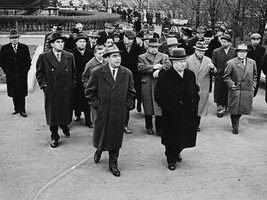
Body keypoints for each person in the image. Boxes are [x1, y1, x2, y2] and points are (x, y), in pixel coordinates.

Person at [85, 44, 136, 177]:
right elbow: (89, 92)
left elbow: (131, 93)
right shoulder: (97, 72)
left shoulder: (127, 73)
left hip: (119, 112)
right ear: (107, 58)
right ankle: (99, 150)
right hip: (102, 112)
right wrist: (98, 106)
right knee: (101, 135)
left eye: (119, 56)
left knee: (115, 138)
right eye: (114, 56)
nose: (118, 59)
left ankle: (113, 163)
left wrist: (126, 107)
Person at [154, 48, 200, 170]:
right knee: (171, 137)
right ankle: (171, 159)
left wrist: (194, 104)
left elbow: (195, 90)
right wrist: (168, 108)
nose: (183, 64)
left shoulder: (190, 74)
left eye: (184, 61)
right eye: (180, 62)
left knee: (184, 135)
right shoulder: (165, 76)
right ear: (173, 62)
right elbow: (158, 95)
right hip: (172, 113)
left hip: (187, 112)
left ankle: (177, 150)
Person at [36, 32, 77, 148]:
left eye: (62, 42)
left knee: (65, 112)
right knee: (53, 115)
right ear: (52, 44)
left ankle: (64, 126)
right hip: (52, 91)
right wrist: (45, 87)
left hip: (66, 90)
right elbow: (39, 73)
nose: (61, 44)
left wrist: (72, 85)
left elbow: (74, 72)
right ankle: (54, 136)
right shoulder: (44, 57)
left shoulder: (69, 56)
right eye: (58, 42)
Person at [138, 38, 171, 136]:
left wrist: (159, 68)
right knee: (148, 107)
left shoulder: (164, 56)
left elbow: (168, 65)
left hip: (160, 83)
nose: (154, 49)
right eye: (152, 47)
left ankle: (159, 128)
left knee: (159, 106)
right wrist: (152, 67)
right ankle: (149, 127)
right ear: (147, 47)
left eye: (156, 47)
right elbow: (140, 67)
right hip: (147, 83)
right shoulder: (142, 57)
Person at [223, 44, 257, 134]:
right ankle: (235, 126)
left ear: (247, 53)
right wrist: (232, 85)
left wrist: (253, 85)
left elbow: (255, 75)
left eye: (244, 52)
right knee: (235, 110)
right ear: (237, 52)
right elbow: (226, 77)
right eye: (240, 52)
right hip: (236, 90)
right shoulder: (231, 63)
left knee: (242, 109)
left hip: (247, 90)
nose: (242, 54)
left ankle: (235, 120)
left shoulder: (252, 62)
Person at [0, 29, 31, 117]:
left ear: (18, 38)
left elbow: (28, 60)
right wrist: (6, 71)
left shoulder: (24, 47)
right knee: (14, 91)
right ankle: (16, 108)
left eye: (16, 37)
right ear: (9, 39)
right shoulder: (5, 48)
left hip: (22, 74)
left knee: (21, 92)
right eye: (12, 38)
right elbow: (2, 62)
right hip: (11, 74)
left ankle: (23, 109)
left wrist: (26, 70)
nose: (14, 39)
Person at [187, 41, 217, 131]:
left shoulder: (208, 60)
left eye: (203, 51)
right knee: (191, 106)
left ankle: (197, 125)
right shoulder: (188, 60)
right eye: (199, 50)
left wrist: (213, 68)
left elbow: (215, 73)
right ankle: (190, 124)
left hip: (203, 87)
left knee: (200, 106)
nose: (201, 52)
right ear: (195, 50)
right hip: (191, 87)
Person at [116, 29, 142, 131]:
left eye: (132, 39)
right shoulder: (117, 46)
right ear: (124, 37)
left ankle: (125, 124)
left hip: (132, 77)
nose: (131, 41)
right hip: (118, 77)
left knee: (128, 100)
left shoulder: (137, 47)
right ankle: (116, 123)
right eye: (129, 39)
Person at [71, 33, 94, 127]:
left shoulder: (89, 52)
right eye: (80, 41)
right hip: (76, 80)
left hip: (87, 80)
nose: (82, 43)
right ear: (76, 43)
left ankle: (88, 120)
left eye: (84, 42)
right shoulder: (72, 53)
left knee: (87, 100)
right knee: (76, 99)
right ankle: (77, 114)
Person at [212, 34, 236, 118]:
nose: (222, 43)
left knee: (228, 92)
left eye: (225, 42)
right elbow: (214, 63)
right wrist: (214, 70)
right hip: (219, 76)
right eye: (221, 41)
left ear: (229, 43)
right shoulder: (216, 51)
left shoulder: (234, 52)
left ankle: (226, 105)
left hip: (230, 76)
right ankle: (220, 108)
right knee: (219, 93)